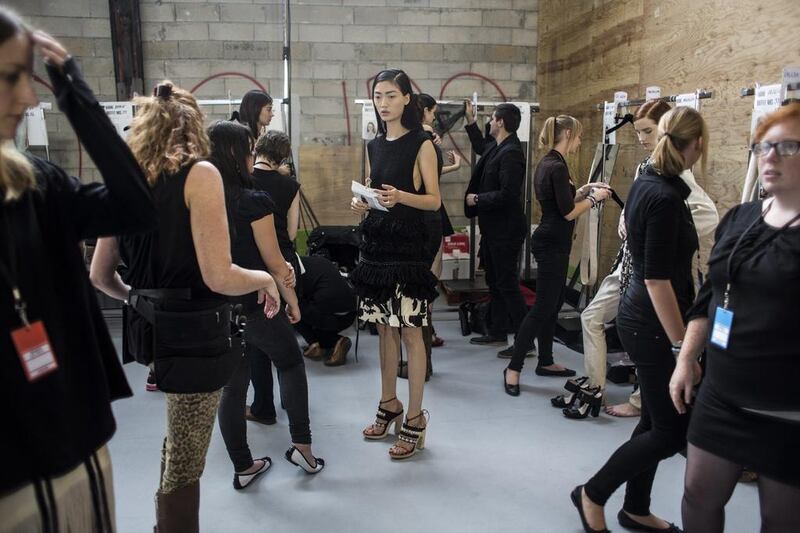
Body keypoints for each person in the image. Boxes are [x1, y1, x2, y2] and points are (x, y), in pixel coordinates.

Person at [0, 17, 153, 530]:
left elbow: (135, 205)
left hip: (77, 443)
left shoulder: (34, 184)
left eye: (28, 76)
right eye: (10, 77)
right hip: (13, 477)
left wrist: (74, 91)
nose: (27, 96)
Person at [119, 82, 281, 532]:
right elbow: (218, 275)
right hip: (194, 336)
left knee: (178, 445)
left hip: (149, 332)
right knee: (186, 461)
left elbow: (101, 276)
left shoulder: (128, 175)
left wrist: (144, 299)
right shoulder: (200, 174)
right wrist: (265, 279)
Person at [572, 106, 708, 533]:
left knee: (653, 421)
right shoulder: (665, 196)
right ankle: (592, 493)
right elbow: (657, 281)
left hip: (642, 317)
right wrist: (680, 347)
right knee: (669, 433)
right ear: (698, 146)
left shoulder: (650, 179)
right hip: (652, 324)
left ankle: (635, 508)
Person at [670, 103, 800, 532]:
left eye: (787, 147)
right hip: (722, 396)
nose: (770, 157)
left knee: (780, 522)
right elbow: (711, 294)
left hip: (786, 410)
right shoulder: (741, 219)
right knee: (698, 498)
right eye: (763, 146)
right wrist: (687, 357)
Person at [574, 100, 718, 417]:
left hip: (648, 274)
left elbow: (708, 216)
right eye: (638, 132)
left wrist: (671, 235)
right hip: (634, 271)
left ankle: (639, 400)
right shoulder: (648, 171)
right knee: (595, 318)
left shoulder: (677, 180)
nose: (642, 138)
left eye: (648, 131)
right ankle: (597, 388)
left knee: (660, 421)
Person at [208, 120, 324, 482]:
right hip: (257, 302)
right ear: (239, 154)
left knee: (232, 387)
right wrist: (293, 301)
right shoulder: (253, 201)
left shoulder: (202, 200)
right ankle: (302, 449)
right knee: (290, 363)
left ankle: (243, 467)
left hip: (218, 309)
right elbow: (275, 263)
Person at [350, 68, 440, 460]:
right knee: (385, 331)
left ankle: (416, 417)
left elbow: (434, 200)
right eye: (378, 96)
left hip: (409, 252)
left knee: (410, 333)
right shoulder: (373, 145)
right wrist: (362, 201)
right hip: (377, 248)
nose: (382, 103)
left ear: (406, 98)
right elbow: (374, 187)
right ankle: (389, 403)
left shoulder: (422, 144)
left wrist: (401, 196)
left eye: (390, 96)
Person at [502, 116, 612, 396]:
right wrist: (594, 200)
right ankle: (513, 367)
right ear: (566, 133)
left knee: (552, 303)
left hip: (553, 240)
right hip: (552, 242)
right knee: (543, 306)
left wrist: (583, 191)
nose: (579, 141)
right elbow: (567, 212)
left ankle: (546, 360)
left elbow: (561, 202)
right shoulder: (557, 166)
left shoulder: (550, 162)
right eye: (577, 136)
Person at [246, 128, 302, 423]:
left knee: (256, 343)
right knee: (285, 345)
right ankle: (289, 404)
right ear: (282, 158)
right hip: (284, 265)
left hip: (252, 266)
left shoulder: (241, 182)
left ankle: (262, 405)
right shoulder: (290, 185)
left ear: (256, 149)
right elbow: (291, 233)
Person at [463, 102, 529, 350]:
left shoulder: (511, 152)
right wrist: (470, 121)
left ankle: (524, 342)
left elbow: (509, 194)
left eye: (491, 118)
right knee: (495, 281)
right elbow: (481, 146)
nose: (489, 122)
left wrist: (478, 199)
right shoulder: (497, 147)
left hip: (506, 231)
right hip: (494, 230)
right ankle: (499, 332)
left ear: (500, 122)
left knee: (508, 284)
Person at [418, 93, 461, 350]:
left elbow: (427, 173)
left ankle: (425, 329)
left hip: (423, 210)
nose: (434, 118)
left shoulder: (414, 139)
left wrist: (452, 168)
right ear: (424, 111)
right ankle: (426, 330)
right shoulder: (426, 140)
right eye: (433, 113)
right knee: (431, 274)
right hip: (429, 212)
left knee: (429, 274)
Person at [294, 254, 357, 366]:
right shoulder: (317, 261)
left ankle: (316, 343)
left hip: (328, 314)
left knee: (292, 310)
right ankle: (333, 342)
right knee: (312, 313)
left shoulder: (293, 271)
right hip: (350, 314)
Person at [231, 89, 290, 176]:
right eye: (268, 109)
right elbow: (247, 171)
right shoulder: (243, 137)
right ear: (255, 109)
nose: (272, 114)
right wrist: (276, 171)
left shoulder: (260, 135)